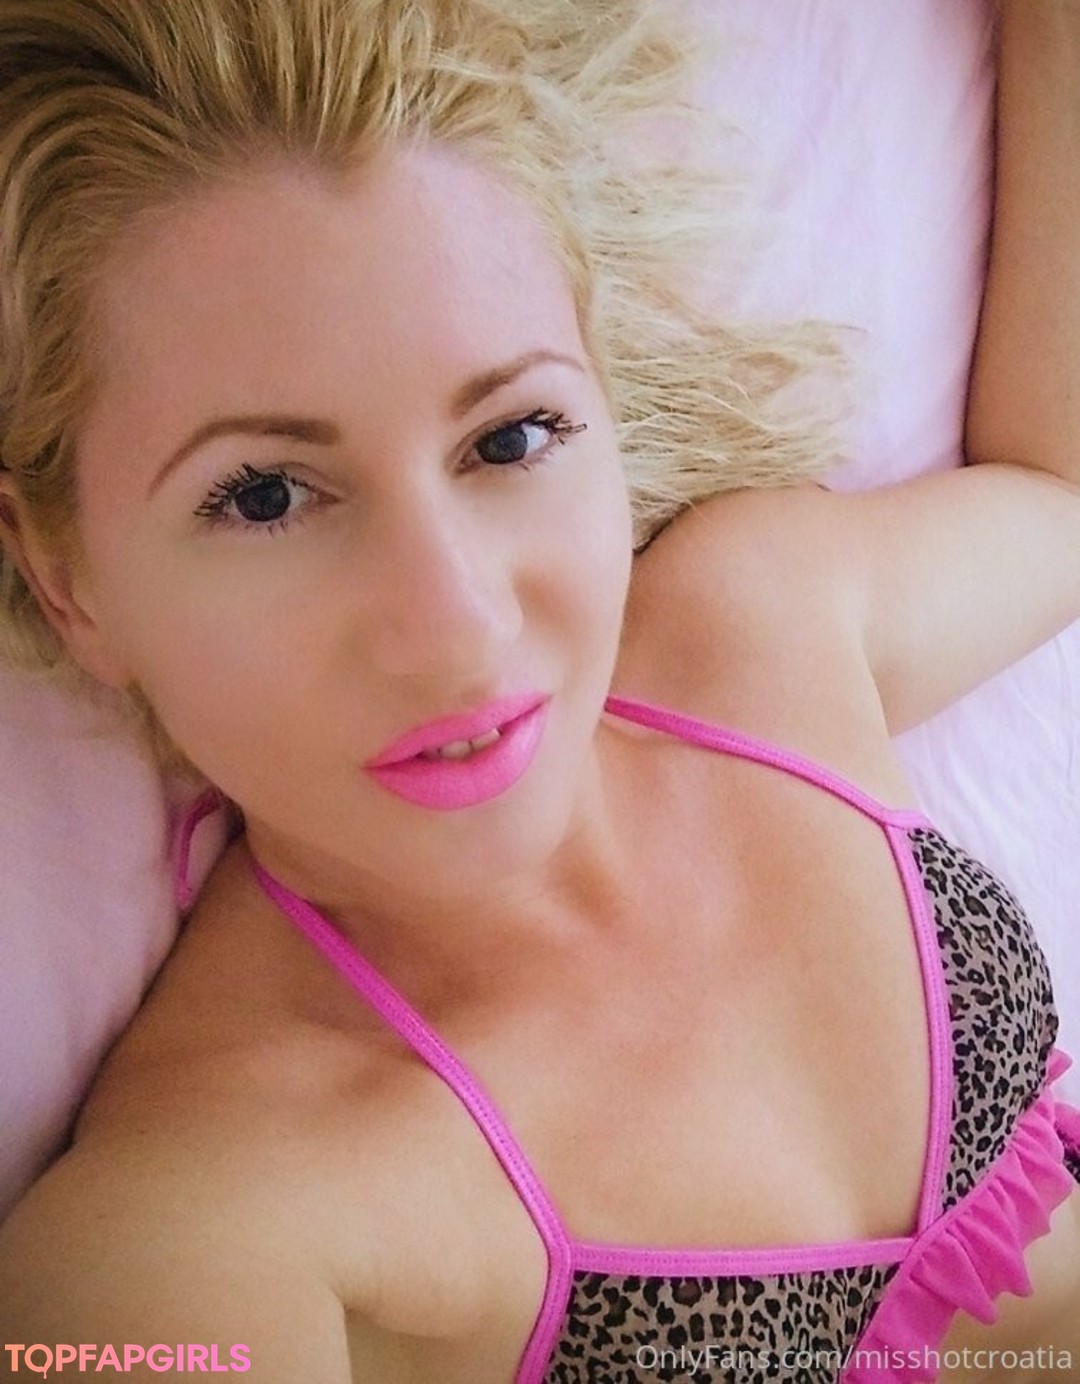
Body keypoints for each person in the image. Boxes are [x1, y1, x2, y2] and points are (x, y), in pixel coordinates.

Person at [0, 0, 1077, 1380]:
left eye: (511, 436)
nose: (459, 627)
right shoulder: (194, 1235)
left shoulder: (760, 623)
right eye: (262, 496)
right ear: (67, 580)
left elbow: (1058, 495)